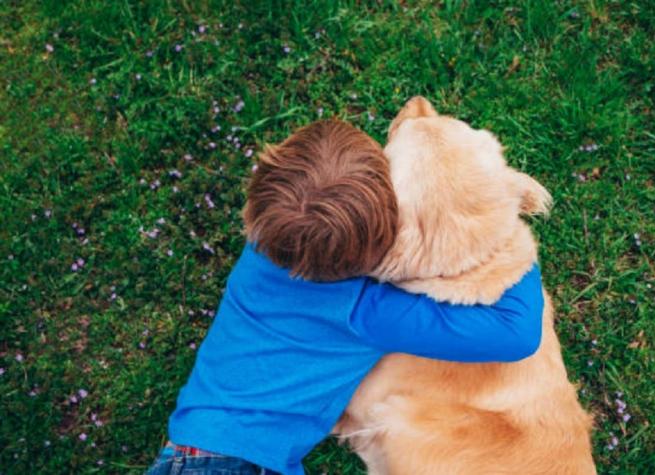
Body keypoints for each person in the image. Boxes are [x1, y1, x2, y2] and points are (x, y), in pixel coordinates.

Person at [146, 120, 544, 475]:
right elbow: (517, 333)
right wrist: (499, 226)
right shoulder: (365, 310)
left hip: (187, 451)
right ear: (384, 248)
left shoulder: (260, 250)